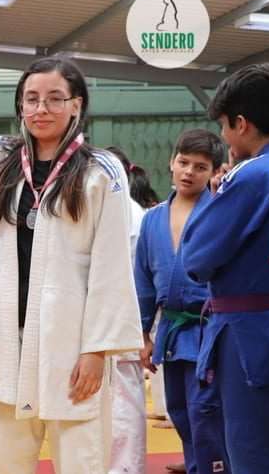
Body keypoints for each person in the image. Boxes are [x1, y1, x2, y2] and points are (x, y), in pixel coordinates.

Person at [0, 30, 142, 473]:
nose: (41, 109)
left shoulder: (101, 171)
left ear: (76, 105)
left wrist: (98, 351)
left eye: (55, 99)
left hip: (71, 346)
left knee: (83, 461)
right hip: (6, 344)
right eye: (32, 99)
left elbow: (112, 266)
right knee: (0, 463)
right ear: (20, 105)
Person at [183, 64, 269, 473]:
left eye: (224, 126)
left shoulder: (252, 176)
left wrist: (217, 196)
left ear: (241, 123)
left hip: (246, 332)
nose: (224, 137)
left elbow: (196, 258)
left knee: (254, 452)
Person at [135, 129, 229, 474]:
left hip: (210, 329)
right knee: (179, 409)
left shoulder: (221, 214)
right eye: (183, 162)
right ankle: (196, 465)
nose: (189, 172)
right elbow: (143, 281)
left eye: (200, 167)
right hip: (172, 330)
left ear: (215, 171)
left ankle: (213, 468)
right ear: (171, 162)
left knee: (206, 411)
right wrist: (143, 333)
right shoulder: (152, 219)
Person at [105, 145, 158, 474]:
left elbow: (140, 276)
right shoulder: (107, 208)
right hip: (105, 318)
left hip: (125, 317)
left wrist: (143, 327)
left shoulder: (133, 214)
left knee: (124, 401)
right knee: (106, 402)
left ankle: (126, 468)